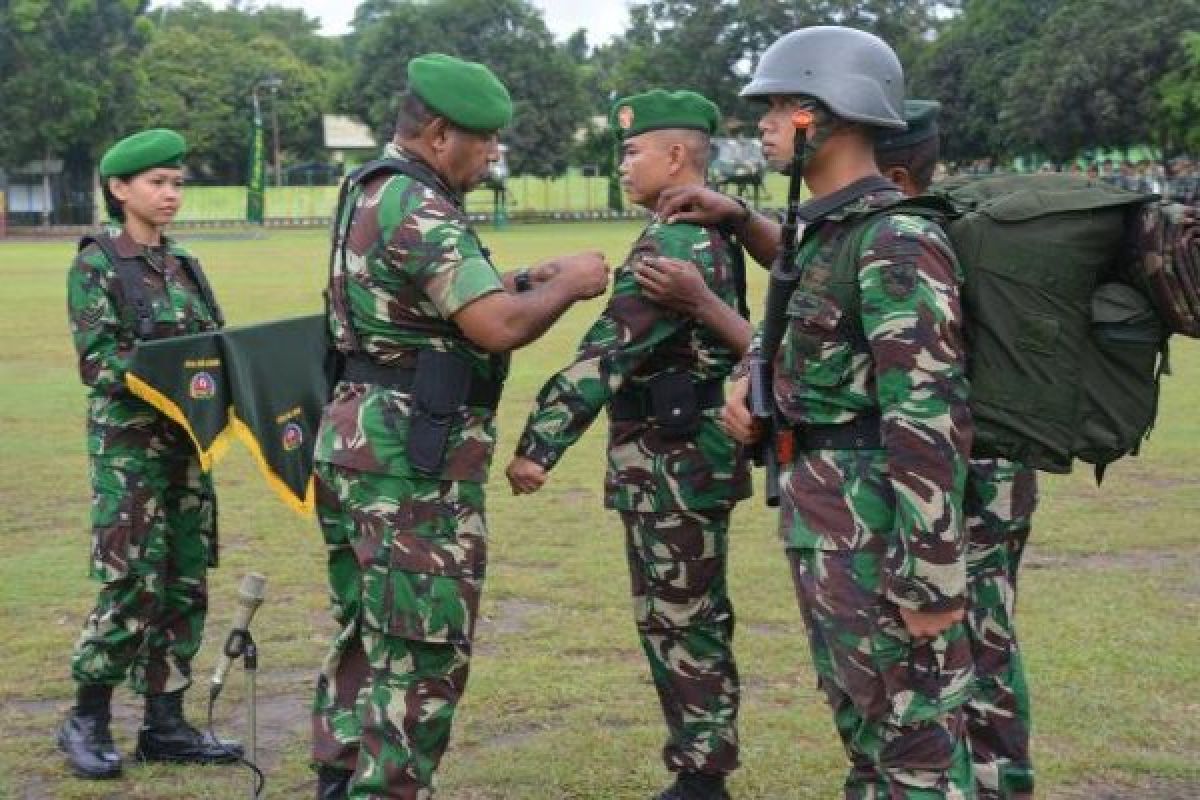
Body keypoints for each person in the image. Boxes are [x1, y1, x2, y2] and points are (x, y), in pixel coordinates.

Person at [642, 97, 1039, 799]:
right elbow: (804, 346)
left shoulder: (896, 239)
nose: (764, 122)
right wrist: (749, 385)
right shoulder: (828, 232)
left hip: (879, 527)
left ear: (838, 117)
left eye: (783, 106)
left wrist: (930, 577)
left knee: (912, 743)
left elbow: (926, 412)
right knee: (869, 729)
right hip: (830, 521)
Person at [310, 53, 609, 800]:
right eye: (486, 138)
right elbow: (495, 327)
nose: (495, 153)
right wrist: (568, 284)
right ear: (440, 134)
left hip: (362, 445)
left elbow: (425, 306)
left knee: (372, 632)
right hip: (410, 466)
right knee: (422, 648)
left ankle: (340, 777)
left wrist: (517, 279)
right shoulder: (418, 204)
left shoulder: (377, 188)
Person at [505, 89, 751, 800]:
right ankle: (702, 766)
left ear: (676, 156)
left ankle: (703, 776)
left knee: (679, 617)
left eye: (633, 150)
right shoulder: (704, 229)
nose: (623, 164)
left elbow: (603, 355)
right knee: (684, 613)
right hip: (679, 454)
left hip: (672, 459)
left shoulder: (676, 238)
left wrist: (537, 447)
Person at [60, 128, 242, 779]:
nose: (170, 195)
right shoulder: (97, 264)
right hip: (129, 452)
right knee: (133, 580)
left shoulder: (185, 264)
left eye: (176, 183)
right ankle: (88, 717)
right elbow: (98, 362)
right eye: (156, 183)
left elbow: (216, 349)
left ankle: (165, 724)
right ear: (119, 189)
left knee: (185, 580)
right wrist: (167, 378)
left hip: (187, 449)